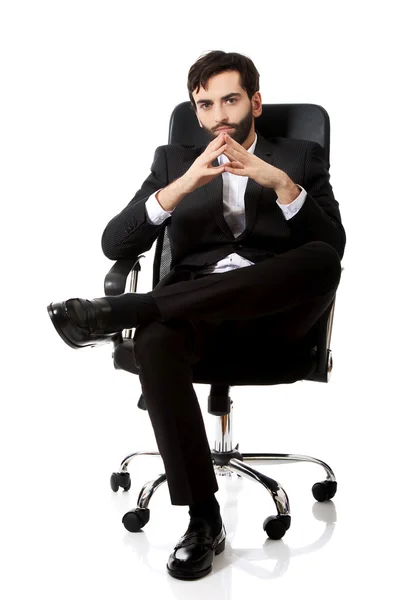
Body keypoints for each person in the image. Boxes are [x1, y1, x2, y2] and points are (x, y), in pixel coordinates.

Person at [47, 50, 345, 580]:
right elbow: (113, 241)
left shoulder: (298, 157)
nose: (219, 115)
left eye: (231, 99)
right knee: (157, 340)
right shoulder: (171, 160)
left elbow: (333, 248)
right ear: (196, 112)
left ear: (255, 101)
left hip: (273, 319)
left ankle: (125, 310)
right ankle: (203, 519)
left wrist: (281, 185)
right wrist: (183, 185)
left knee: (321, 259)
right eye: (206, 105)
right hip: (195, 316)